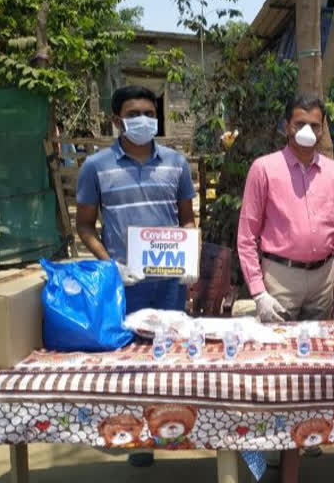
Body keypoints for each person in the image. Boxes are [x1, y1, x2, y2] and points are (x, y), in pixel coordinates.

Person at [75, 85, 197, 467]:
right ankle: (139, 443)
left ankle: (176, 431)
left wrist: (190, 262)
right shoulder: (95, 167)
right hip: (124, 285)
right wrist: (111, 264)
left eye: (149, 112)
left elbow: (187, 218)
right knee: (129, 365)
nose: (144, 119)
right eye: (134, 114)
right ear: (116, 121)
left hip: (170, 285)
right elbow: (85, 226)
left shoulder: (177, 163)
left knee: (173, 361)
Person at [237, 92, 334, 325]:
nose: (307, 131)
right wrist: (259, 292)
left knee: (317, 352)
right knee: (277, 352)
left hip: (323, 279)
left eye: (314, 125)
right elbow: (246, 236)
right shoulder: (264, 169)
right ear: (286, 126)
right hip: (280, 278)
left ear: (322, 129)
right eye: (300, 124)